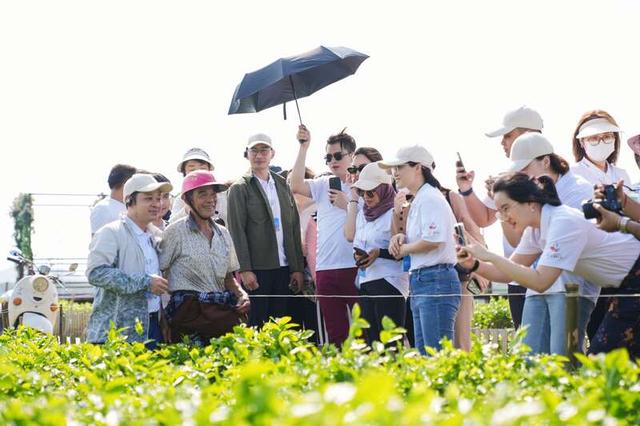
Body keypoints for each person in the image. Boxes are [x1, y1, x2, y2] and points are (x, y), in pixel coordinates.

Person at [457, 172, 640, 358]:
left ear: (530, 203)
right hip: (621, 285)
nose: (503, 217)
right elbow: (506, 274)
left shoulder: (563, 222)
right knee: (612, 360)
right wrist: (475, 265)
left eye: (506, 208)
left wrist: (490, 256)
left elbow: (541, 281)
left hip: (635, 276)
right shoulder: (536, 229)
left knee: (603, 359)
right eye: (499, 212)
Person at [506, 133, 595, 353]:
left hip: (572, 288)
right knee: (530, 358)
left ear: (546, 161)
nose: (524, 177)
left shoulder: (578, 189)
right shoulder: (535, 197)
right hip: (540, 284)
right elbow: (523, 244)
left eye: (525, 170)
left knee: (561, 361)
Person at [456, 106, 544, 330]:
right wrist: (466, 190)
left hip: (548, 277)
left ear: (528, 135)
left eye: (507, 135)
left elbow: (518, 238)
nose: (502, 142)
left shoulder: (549, 177)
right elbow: (484, 218)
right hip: (515, 275)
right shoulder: (505, 176)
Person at [381, 146, 461, 354]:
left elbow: (434, 240)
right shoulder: (422, 198)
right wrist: (402, 238)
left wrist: (404, 248)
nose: (394, 172)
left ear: (418, 168)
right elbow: (428, 238)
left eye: (399, 167)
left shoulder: (429, 198)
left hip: (435, 279)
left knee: (435, 356)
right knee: (428, 355)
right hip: (425, 279)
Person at [159, 170, 250, 345]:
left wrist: (242, 294)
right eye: (202, 194)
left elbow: (229, 278)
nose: (210, 199)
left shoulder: (223, 233)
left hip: (218, 315)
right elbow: (158, 276)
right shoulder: (174, 232)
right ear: (187, 199)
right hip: (187, 316)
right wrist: (162, 319)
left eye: (213, 194)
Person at [290, 125, 359, 346]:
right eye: (328, 157)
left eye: (338, 155)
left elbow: (373, 224)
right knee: (337, 335)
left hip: (355, 265)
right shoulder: (322, 184)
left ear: (352, 156)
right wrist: (304, 147)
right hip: (325, 269)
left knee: (362, 334)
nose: (332, 161)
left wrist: (347, 204)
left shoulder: (364, 185)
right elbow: (295, 184)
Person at [227, 133, 305, 328]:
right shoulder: (239, 188)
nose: (259, 155)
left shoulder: (281, 184)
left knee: (283, 325)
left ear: (272, 154)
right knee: (258, 325)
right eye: (254, 150)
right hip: (258, 269)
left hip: (285, 267)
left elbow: (293, 227)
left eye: (264, 150)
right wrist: (245, 269)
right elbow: (236, 231)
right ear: (247, 154)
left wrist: (297, 268)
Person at [86, 173, 172, 346]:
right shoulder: (111, 232)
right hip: (117, 332)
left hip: (152, 326)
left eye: (159, 198)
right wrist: (145, 282)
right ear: (129, 201)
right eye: (148, 199)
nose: (157, 204)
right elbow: (96, 273)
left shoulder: (156, 237)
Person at [569, 111, 633, 344]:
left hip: (623, 263)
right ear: (581, 142)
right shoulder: (573, 174)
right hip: (591, 263)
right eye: (594, 138)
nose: (602, 142)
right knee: (594, 330)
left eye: (607, 136)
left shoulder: (622, 174)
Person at [344, 162, 408, 345]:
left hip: (390, 283)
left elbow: (404, 250)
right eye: (363, 192)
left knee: (391, 346)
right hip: (365, 283)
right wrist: (359, 256)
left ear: (384, 189)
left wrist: (379, 253)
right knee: (373, 346)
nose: (367, 197)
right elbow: (352, 239)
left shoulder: (396, 212)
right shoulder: (362, 215)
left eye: (371, 191)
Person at [171, 148, 228, 225]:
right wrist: (187, 210)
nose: (197, 172)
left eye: (202, 168)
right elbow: (171, 226)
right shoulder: (181, 199)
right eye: (192, 169)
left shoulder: (223, 195)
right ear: (184, 173)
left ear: (209, 171)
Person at [90, 164, 137, 235]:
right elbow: (99, 242)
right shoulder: (102, 208)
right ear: (125, 183)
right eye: (133, 182)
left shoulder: (132, 206)